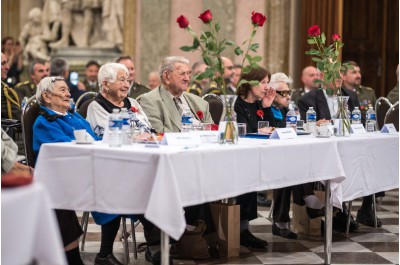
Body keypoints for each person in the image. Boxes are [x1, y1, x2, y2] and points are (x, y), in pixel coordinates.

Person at [32, 76, 97, 265]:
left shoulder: (73, 116)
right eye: (62, 90)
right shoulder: (44, 121)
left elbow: (93, 137)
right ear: (47, 96)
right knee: (58, 199)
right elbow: (60, 149)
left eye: (67, 90)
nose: (69, 94)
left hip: (84, 168)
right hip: (59, 175)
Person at [298, 76, 363, 232]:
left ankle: (353, 210)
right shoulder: (308, 99)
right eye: (333, 75)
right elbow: (303, 127)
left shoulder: (351, 96)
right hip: (320, 149)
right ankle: (336, 210)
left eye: (340, 75)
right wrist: (314, 124)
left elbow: (359, 121)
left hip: (347, 145)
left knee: (363, 162)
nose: (338, 78)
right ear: (323, 78)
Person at [268, 72, 325, 239]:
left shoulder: (287, 110)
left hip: (286, 154)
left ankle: (284, 221)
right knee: (287, 168)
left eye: (288, 92)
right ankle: (308, 198)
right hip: (269, 155)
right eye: (283, 93)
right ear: (272, 92)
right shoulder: (266, 108)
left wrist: (312, 125)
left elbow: (295, 129)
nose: (287, 97)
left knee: (297, 161)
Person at [234, 67, 274, 248]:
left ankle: (244, 229)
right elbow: (241, 130)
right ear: (249, 83)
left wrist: (267, 107)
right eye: (263, 82)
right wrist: (258, 130)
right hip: (239, 156)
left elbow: (275, 127)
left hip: (257, 153)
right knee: (245, 181)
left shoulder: (260, 104)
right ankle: (242, 230)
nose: (266, 87)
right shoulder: (237, 105)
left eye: (268, 82)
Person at [140, 56, 214, 133]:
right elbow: (160, 135)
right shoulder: (150, 101)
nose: (187, 78)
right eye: (182, 74)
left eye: (188, 73)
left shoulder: (201, 103)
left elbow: (211, 133)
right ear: (166, 76)